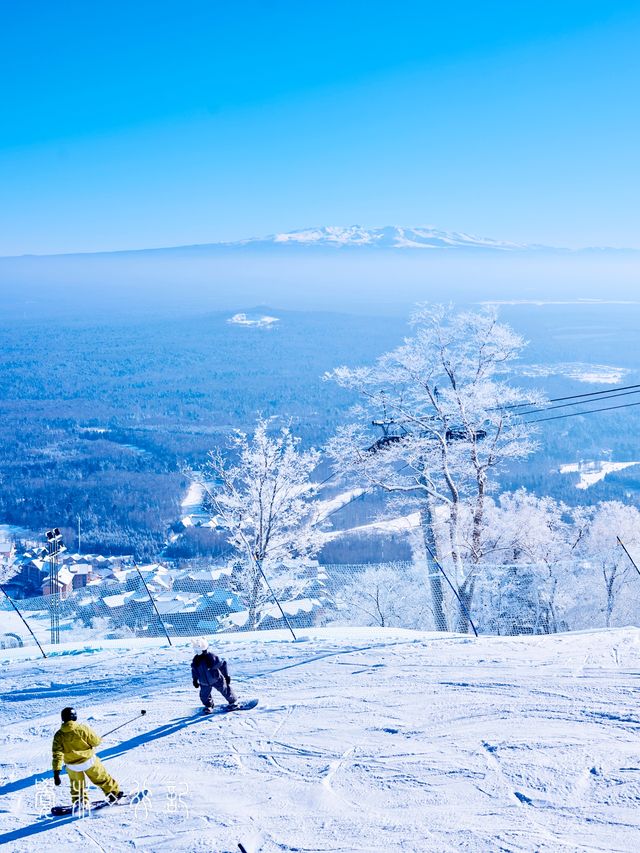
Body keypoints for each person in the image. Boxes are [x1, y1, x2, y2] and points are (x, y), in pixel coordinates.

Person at [52, 706, 123, 807]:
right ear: (74, 717)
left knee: (77, 785)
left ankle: (80, 802)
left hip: (72, 766)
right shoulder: (82, 728)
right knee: (101, 778)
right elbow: (95, 742)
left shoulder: (58, 735)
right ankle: (114, 793)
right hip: (88, 761)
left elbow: (57, 754)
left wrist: (56, 772)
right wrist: (98, 740)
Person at [191, 637, 238, 712]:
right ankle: (209, 706)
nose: (196, 652)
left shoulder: (211, 657)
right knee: (204, 696)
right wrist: (195, 680)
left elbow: (222, 665)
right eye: (195, 650)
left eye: (197, 650)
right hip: (204, 682)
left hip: (216, 679)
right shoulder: (196, 660)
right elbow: (194, 670)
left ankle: (233, 702)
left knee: (225, 690)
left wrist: (226, 676)